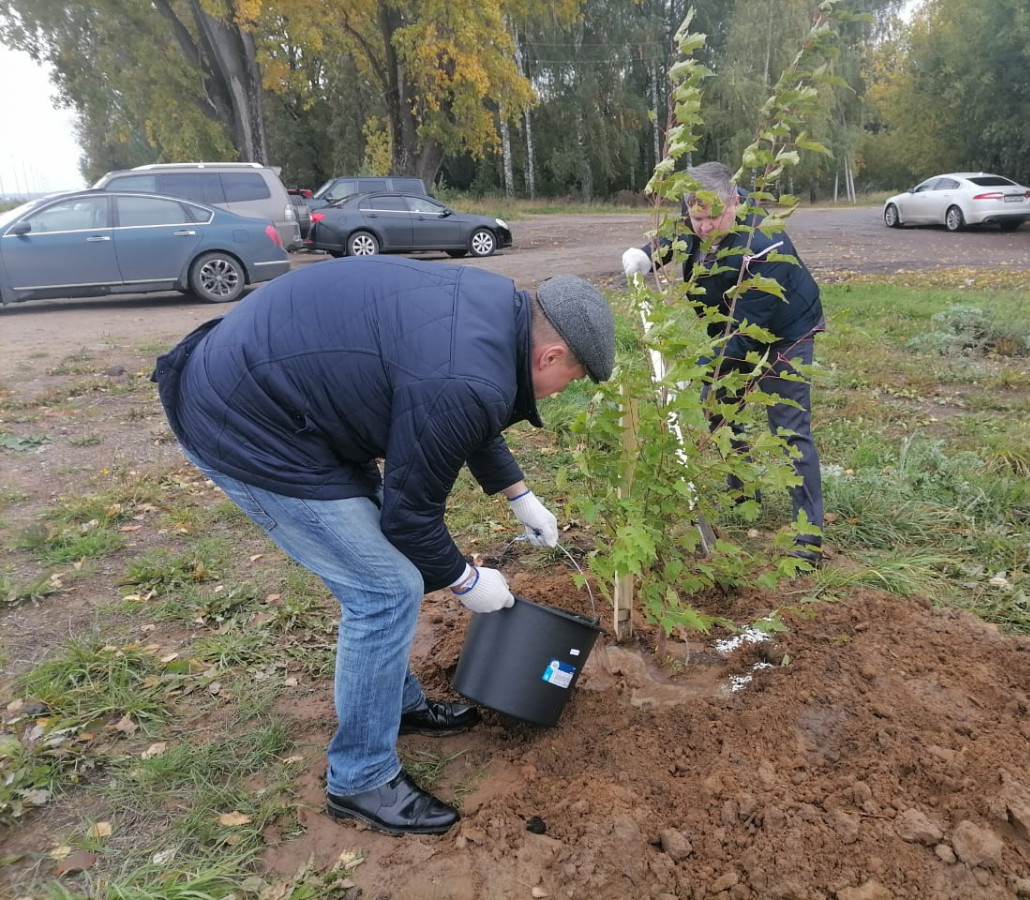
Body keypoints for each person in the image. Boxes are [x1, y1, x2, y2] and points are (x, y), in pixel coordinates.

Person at [152, 256, 615, 837]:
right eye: (569, 380)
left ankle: (394, 706)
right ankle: (360, 779)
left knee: (395, 574)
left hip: (281, 390)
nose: (559, 391)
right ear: (550, 356)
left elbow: (472, 409)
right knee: (385, 588)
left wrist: (519, 494)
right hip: (246, 422)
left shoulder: (499, 310)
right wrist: (470, 584)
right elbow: (411, 516)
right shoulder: (465, 376)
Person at [621, 161, 825, 563]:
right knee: (718, 407)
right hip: (733, 324)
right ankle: (743, 492)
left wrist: (689, 370)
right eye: (697, 216)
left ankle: (808, 538)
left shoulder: (767, 246)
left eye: (714, 217)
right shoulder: (698, 206)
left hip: (786, 330)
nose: (704, 226)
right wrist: (647, 256)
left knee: (788, 427)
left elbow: (742, 337)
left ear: (735, 201)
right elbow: (678, 236)